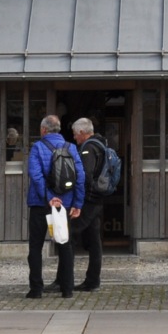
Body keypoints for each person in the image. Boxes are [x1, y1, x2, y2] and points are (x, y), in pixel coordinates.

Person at [26, 114, 85, 299]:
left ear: (43, 130)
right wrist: (77, 203)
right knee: (65, 246)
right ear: (59, 129)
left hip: (40, 204)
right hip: (65, 205)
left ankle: (36, 289)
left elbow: (35, 176)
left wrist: (49, 198)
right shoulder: (72, 148)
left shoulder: (38, 147)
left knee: (35, 247)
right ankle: (67, 289)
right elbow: (80, 177)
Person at [70, 117, 109, 292]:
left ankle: (64, 279)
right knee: (94, 241)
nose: (74, 138)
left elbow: (85, 175)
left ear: (82, 133)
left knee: (69, 237)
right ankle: (92, 280)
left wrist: (78, 200)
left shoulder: (89, 148)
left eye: (75, 134)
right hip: (98, 198)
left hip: (89, 200)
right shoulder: (102, 144)